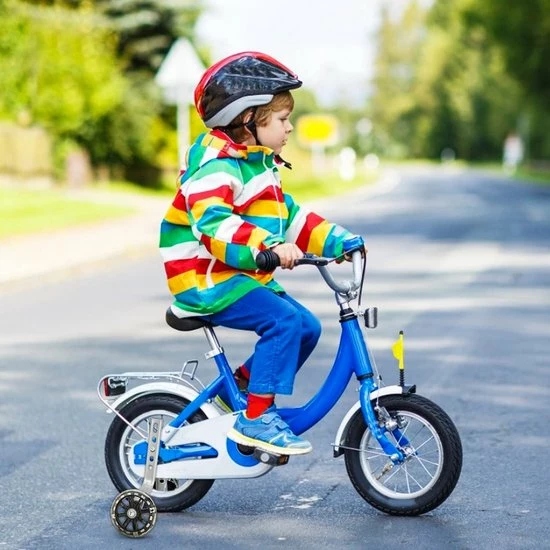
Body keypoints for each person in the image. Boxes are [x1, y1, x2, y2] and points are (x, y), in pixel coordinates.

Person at [159, 51, 365, 456]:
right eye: (282, 118)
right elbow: (214, 225)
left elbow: (292, 219)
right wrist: (266, 247)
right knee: (284, 321)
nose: (290, 127)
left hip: (236, 276)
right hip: (205, 278)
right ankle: (256, 417)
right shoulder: (216, 167)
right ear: (248, 119)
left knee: (306, 327)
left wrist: (339, 241)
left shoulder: (258, 167)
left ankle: (236, 390)